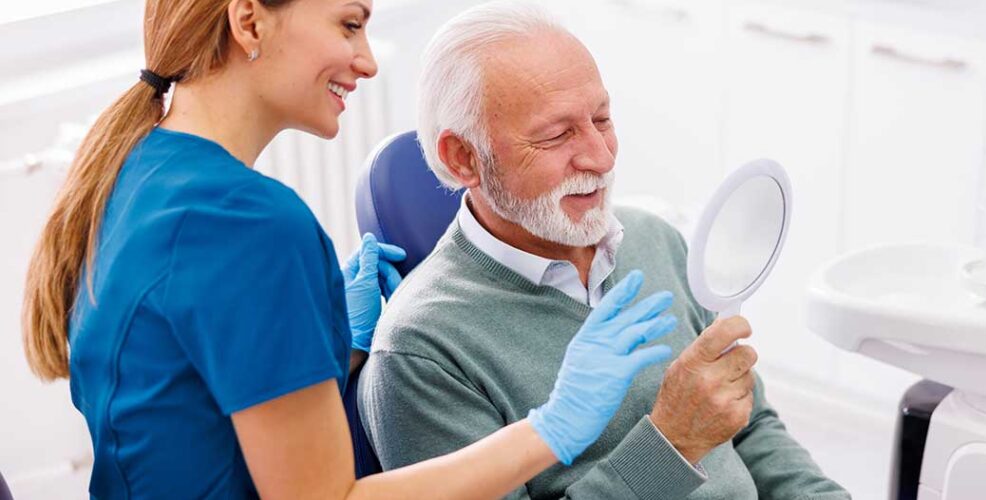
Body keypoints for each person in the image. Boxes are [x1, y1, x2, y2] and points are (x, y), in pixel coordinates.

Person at [19, 0, 679, 497]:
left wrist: (334, 348)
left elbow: (195, 416)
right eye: (348, 24)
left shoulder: (143, 167)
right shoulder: (251, 223)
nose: (367, 59)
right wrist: (553, 427)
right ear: (249, 22)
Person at [357, 2, 852, 499]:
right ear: (465, 157)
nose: (601, 155)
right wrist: (671, 445)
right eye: (556, 135)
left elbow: (751, 425)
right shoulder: (422, 354)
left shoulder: (654, 240)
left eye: (602, 118)